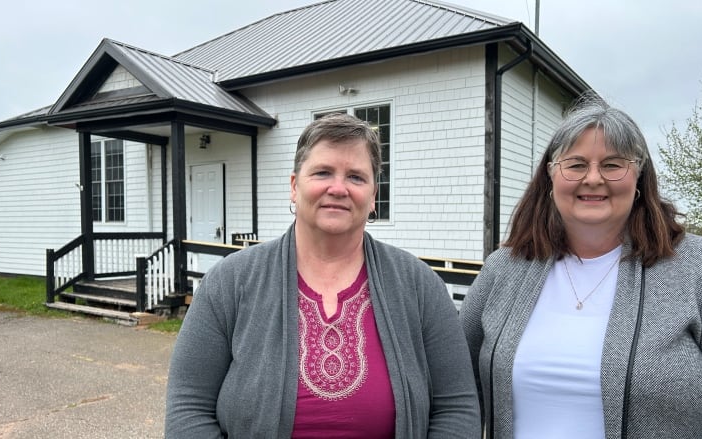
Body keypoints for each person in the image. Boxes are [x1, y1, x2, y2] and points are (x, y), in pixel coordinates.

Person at [166, 113, 481, 438]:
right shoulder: (229, 283)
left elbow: (456, 408)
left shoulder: (420, 286)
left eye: (356, 177)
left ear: (373, 196)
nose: (338, 188)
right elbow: (188, 408)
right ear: (294, 186)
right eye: (322, 172)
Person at [459, 94, 702, 439]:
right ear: (551, 178)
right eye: (576, 164)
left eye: (612, 165)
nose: (593, 178)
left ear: (638, 179)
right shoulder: (504, 269)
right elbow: (456, 387)